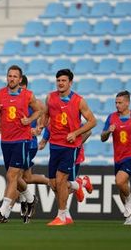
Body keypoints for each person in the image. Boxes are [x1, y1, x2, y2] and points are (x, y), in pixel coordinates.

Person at [39, 69, 96, 226]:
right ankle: (80, 184)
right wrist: (41, 127)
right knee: (53, 183)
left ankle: (62, 216)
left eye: (63, 80)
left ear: (70, 82)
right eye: (58, 80)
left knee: (61, 180)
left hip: (71, 146)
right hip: (55, 145)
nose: (60, 83)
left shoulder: (79, 100)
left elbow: (92, 121)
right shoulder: (50, 97)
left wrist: (76, 133)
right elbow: (46, 114)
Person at [0, 66, 42, 224]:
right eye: (9, 76)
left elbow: (39, 111)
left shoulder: (28, 95)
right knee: (15, 178)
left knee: (11, 176)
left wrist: (30, 120)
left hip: (22, 140)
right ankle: (31, 199)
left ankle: (2, 212)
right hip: (6, 141)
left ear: (20, 79)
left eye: (15, 77)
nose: (11, 79)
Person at [101, 90, 131, 225]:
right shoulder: (111, 118)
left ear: (127, 103)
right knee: (122, 186)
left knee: (120, 181)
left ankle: (129, 200)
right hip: (118, 157)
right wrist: (107, 132)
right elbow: (102, 138)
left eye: (120, 102)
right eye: (116, 102)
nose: (117, 105)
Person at [39, 126, 93, 224]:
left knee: (62, 185)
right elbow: (46, 135)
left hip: (72, 155)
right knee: (55, 185)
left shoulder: (68, 118)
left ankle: (80, 183)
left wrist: (77, 143)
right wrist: (41, 142)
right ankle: (66, 215)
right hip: (57, 155)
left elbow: (88, 131)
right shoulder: (51, 121)